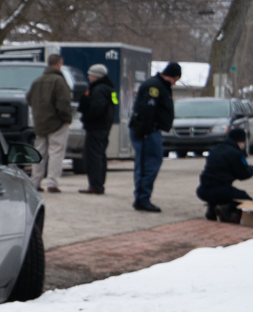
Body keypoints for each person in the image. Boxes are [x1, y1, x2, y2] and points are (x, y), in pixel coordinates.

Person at [129, 61, 179, 213]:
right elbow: (148, 109)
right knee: (148, 165)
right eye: (176, 79)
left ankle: (142, 198)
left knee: (147, 164)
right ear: (172, 76)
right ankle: (142, 199)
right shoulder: (155, 86)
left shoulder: (160, 85)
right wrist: (146, 130)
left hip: (150, 130)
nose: (175, 83)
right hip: (148, 131)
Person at [23, 61, 74, 194]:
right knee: (56, 153)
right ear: (59, 64)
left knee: (39, 153)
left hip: (39, 122)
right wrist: (67, 119)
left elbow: (28, 99)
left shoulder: (37, 81)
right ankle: (52, 183)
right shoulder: (59, 81)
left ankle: (35, 181)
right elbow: (63, 102)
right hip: (56, 123)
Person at [76, 62, 120, 196]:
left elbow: (97, 108)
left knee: (93, 156)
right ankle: (99, 184)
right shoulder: (111, 89)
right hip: (105, 127)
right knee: (100, 156)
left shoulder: (99, 89)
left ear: (97, 76)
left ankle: (95, 185)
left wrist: (86, 117)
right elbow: (114, 104)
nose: (89, 77)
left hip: (96, 127)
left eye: (90, 74)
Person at [198, 127, 253, 222]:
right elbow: (243, 174)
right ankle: (227, 212)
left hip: (203, 190)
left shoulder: (216, 149)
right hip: (219, 189)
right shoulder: (235, 153)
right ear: (241, 141)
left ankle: (212, 211)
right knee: (245, 197)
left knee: (221, 191)